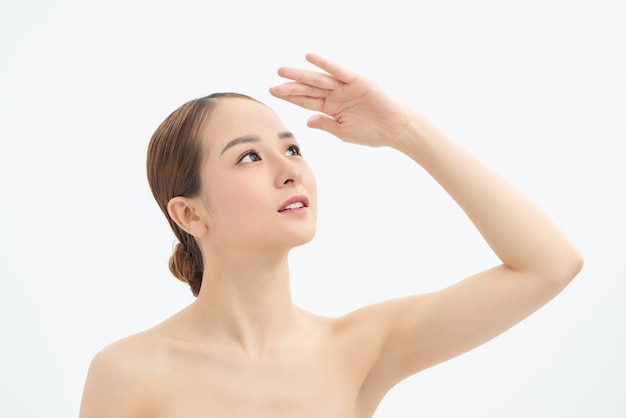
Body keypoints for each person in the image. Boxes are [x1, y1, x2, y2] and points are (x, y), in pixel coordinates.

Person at [79, 53, 583, 417]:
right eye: (249, 156)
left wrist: (407, 134)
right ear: (189, 214)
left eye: (293, 150)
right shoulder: (129, 372)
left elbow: (549, 266)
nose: (289, 171)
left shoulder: (356, 350)